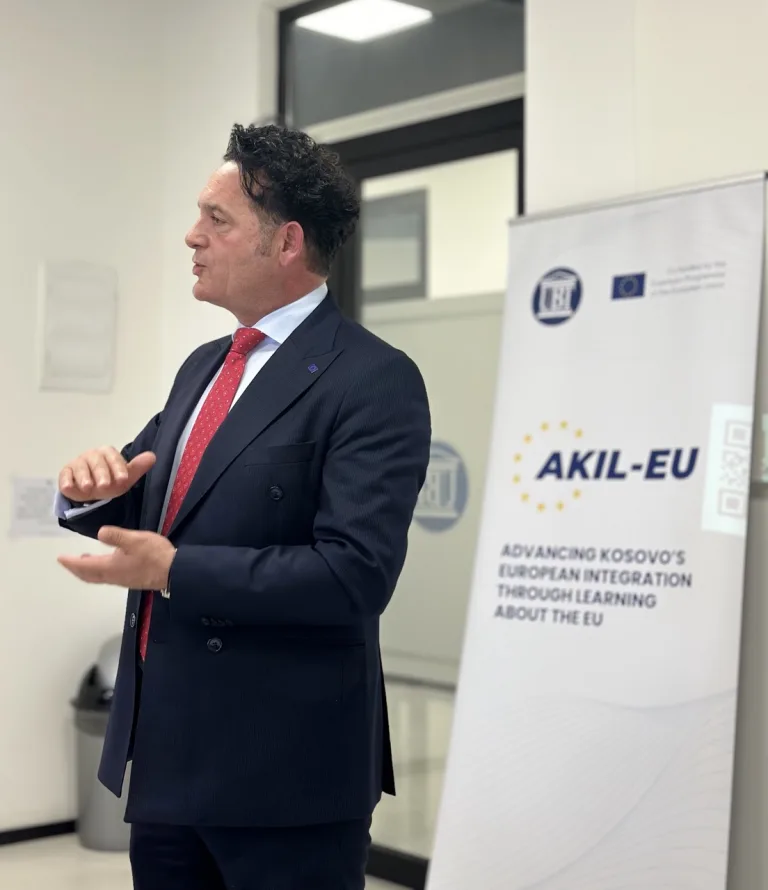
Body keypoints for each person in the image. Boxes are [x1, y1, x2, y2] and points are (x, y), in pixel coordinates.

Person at [55, 123, 432, 890]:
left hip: (286, 775)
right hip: (167, 759)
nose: (191, 236)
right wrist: (89, 489)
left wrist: (176, 570)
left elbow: (354, 575)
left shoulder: (372, 379)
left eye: (216, 219)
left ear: (286, 242)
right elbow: (154, 491)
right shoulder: (206, 365)